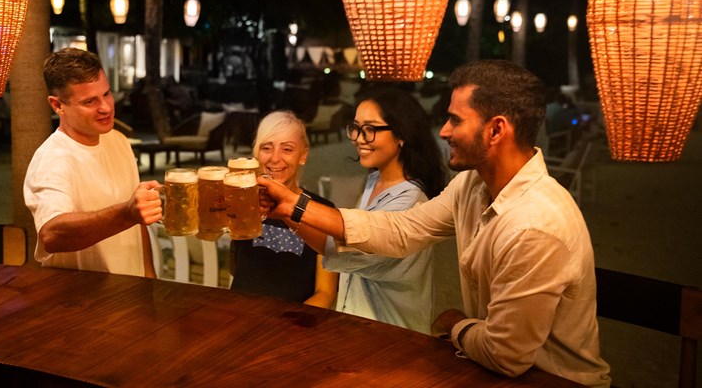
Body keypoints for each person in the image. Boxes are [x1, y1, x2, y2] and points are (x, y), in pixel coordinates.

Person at [258, 60, 610, 387]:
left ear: (496, 129)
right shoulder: (472, 185)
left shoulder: (534, 225)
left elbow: (506, 356)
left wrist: (454, 323)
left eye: (456, 120)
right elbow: (402, 230)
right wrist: (294, 206)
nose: (443, 131)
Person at [24, 48, 162, 277]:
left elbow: (137, 225)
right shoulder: (52, 159)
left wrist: (149, 280)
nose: (106, 108)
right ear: (57, 105)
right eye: (89, 101)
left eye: (106, 94)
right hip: (83, 302)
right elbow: (51, 235)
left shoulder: (118, 141)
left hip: (131, 294)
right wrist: (125, 213)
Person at [322, 86, 445, 333]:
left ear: (402, 135)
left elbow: (350, 254)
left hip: (391, 338)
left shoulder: (409, 201)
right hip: (359, 329)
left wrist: (293, 208)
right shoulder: (374, 180)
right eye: (356, 128)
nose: (358, 138)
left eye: (370, 129)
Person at [229, 110, 338, 308]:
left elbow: (325, 293)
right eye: (266, 148)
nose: (275, 158)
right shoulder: (243, 201)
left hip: (293, 325)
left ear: (302, 155)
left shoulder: (322, 210)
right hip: (240, 316)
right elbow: (236, 271)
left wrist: (289, 325)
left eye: (287, 149)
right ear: (256, 154)